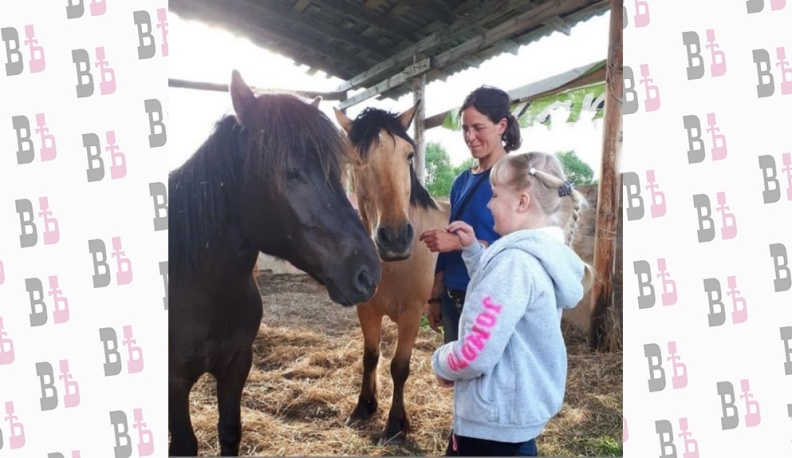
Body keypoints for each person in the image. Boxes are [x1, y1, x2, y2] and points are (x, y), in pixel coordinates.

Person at [431, 152, 594, 456]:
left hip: (490, 430)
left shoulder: (514, 264)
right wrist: (471, 251)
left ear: (522, 202)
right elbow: (505, 297)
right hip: (514, 421)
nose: (489, 204)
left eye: (493, 195)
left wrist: (440, 361)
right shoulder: (539, 256)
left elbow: (474, 355)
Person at [419, 86, 521, 344]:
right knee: (459, 378)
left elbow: (520, 247)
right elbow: (449, 238)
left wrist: (461, 244)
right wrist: (435, 296)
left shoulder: (516, 177)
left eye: (478, 127)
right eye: (465, 129)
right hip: (453, 295)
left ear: (501, 125)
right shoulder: (461, 181)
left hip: (491, 299)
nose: (470, 137)